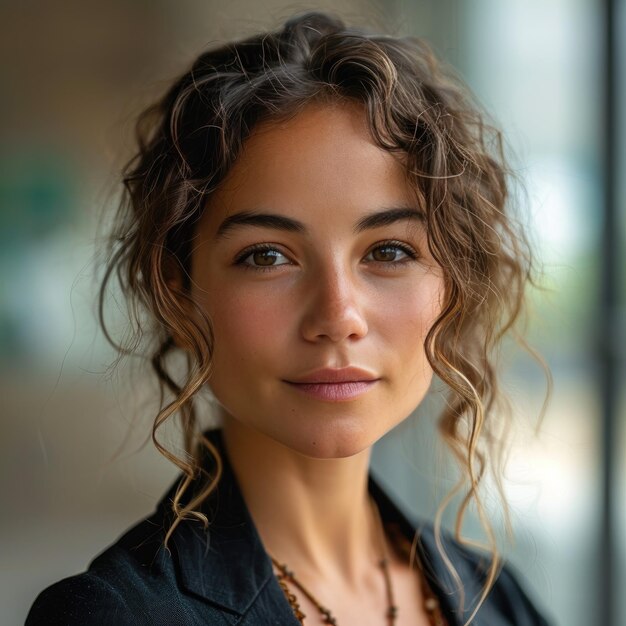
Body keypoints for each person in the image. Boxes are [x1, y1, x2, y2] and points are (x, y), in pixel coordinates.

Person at [26, 11, 552, 626]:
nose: (338, 316)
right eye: (267, 256)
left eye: (388, 251)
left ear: (454, 283)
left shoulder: (496, 598)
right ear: (179, 291)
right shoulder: (112, 616)